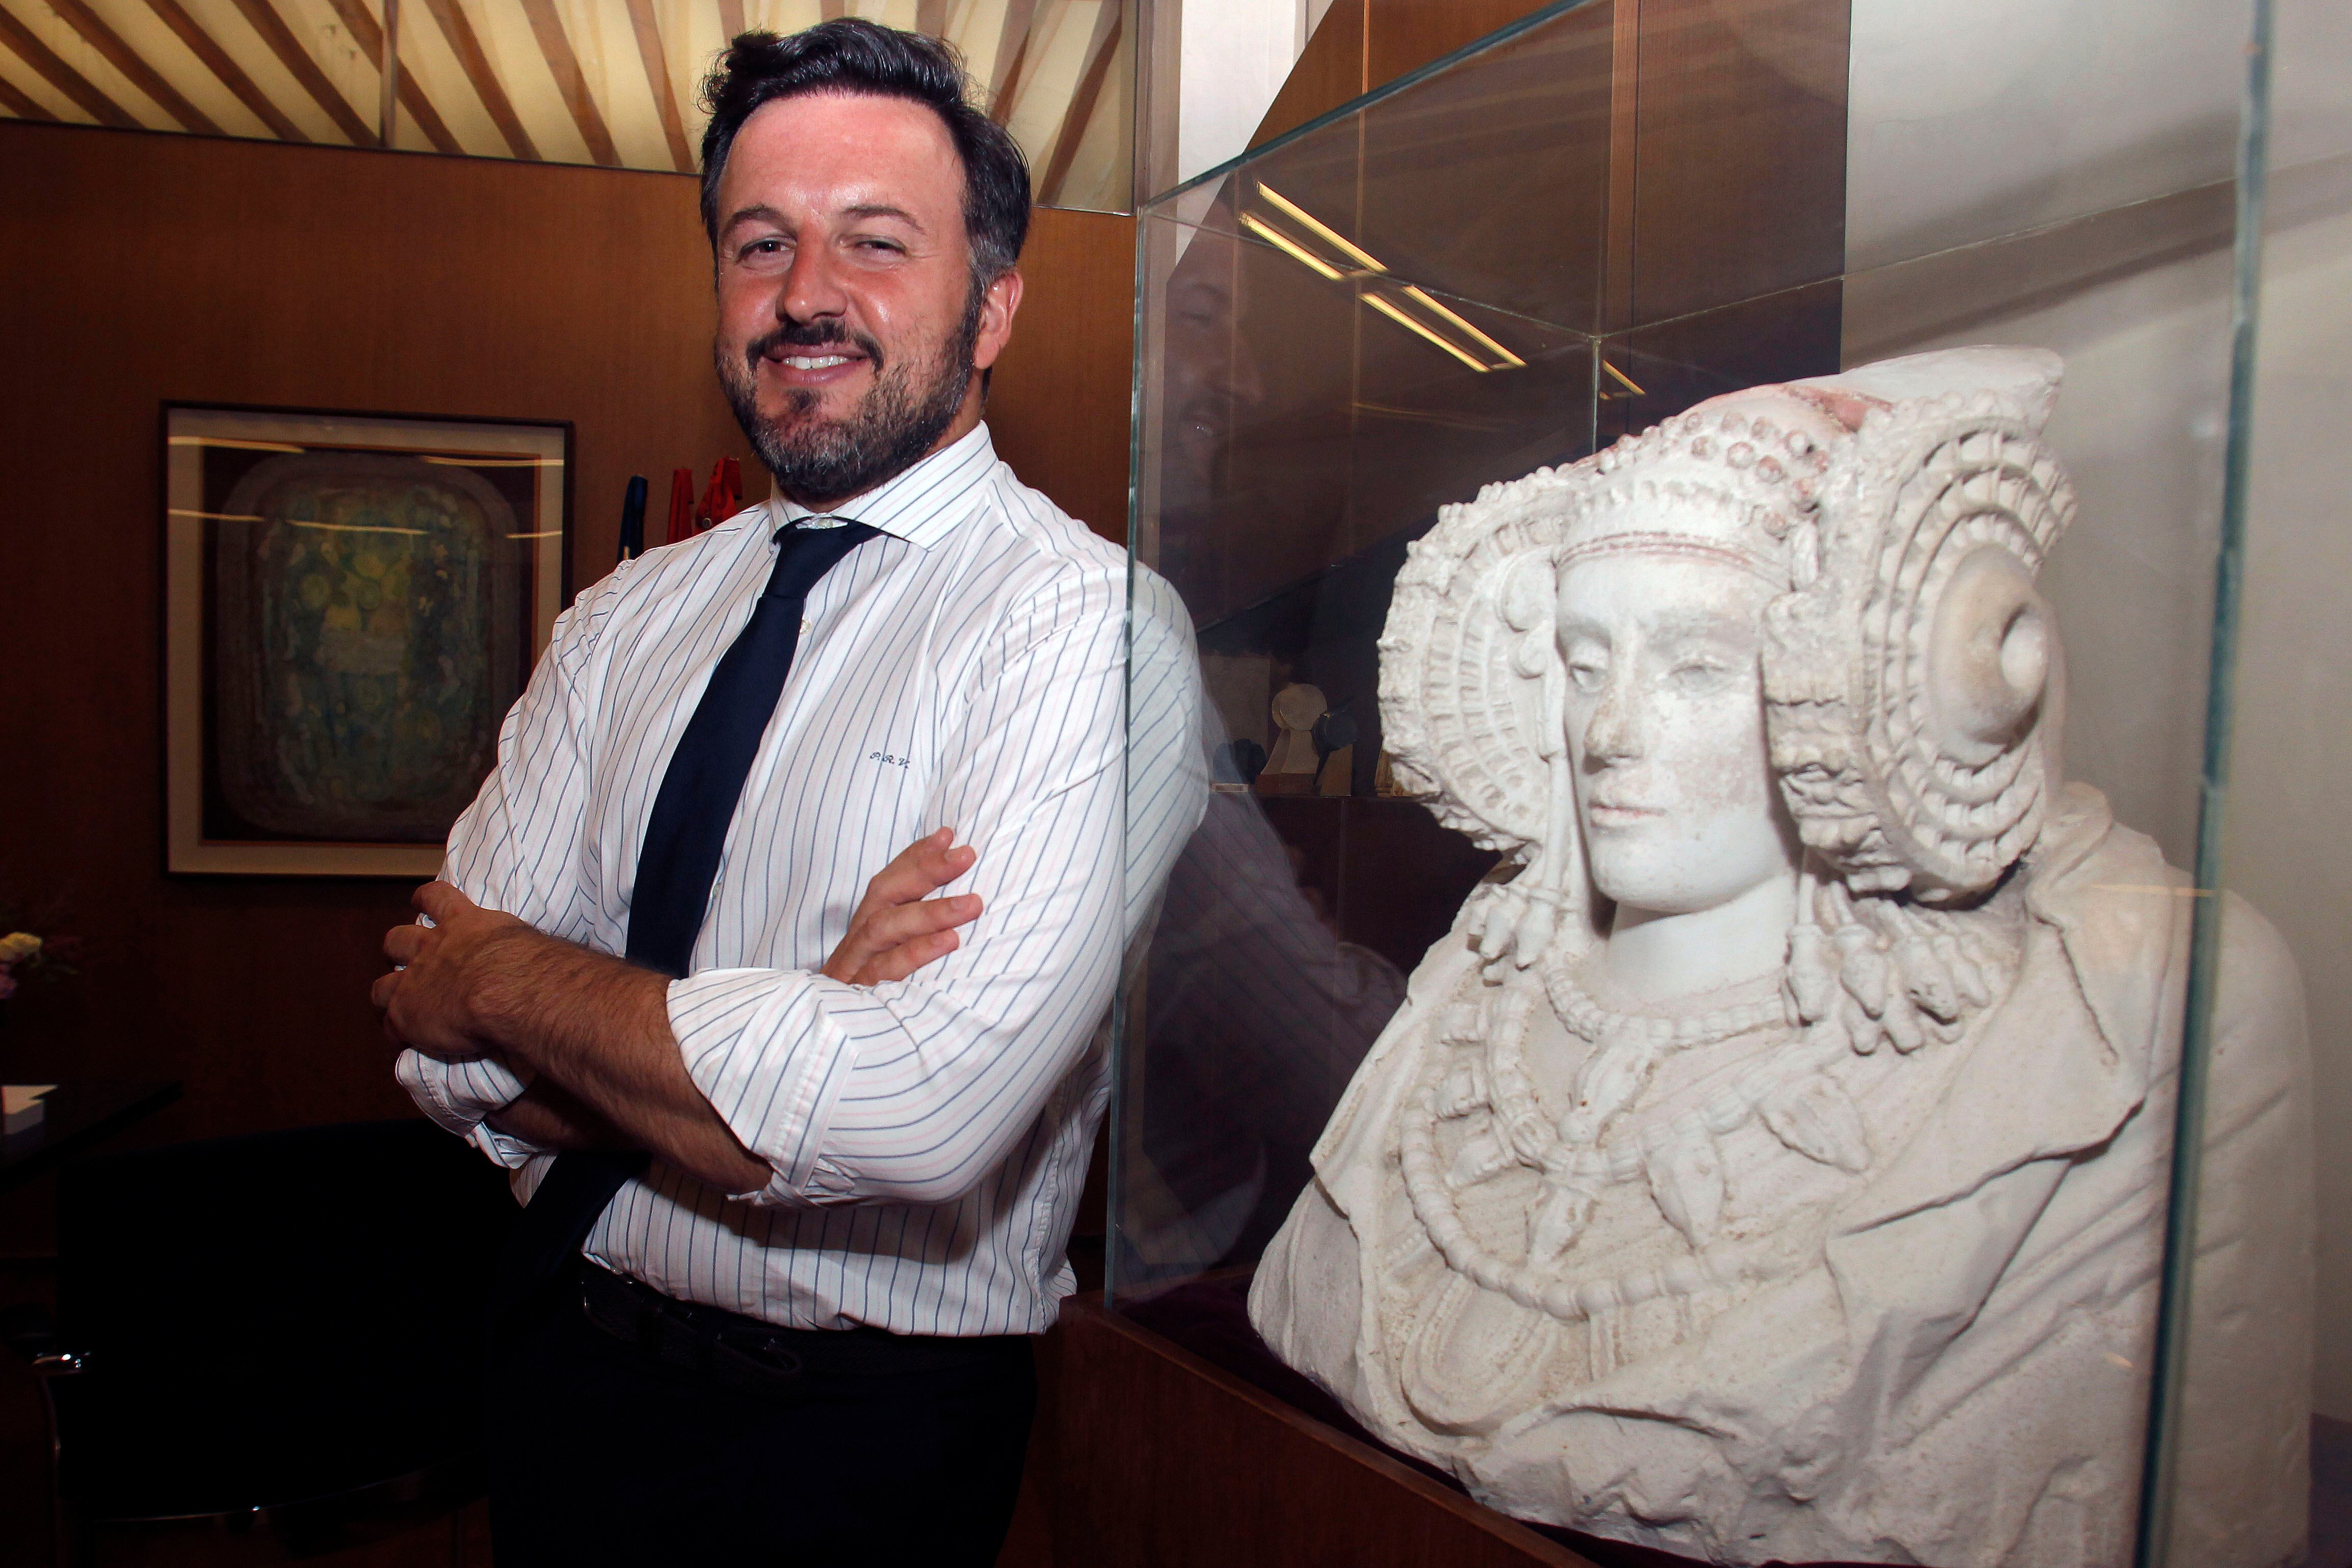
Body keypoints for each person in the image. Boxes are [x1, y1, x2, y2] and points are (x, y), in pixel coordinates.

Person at [1250, 348, 2310, 1566]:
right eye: (1585, 665)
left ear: (1863, 695)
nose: (1611, 732)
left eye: (1699, 667)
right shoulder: (1484, 970)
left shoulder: (2112, 1021)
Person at [374, 21, 1202, 1565]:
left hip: (848, 1442)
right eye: (762, 244)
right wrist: (800, 1019)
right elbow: (435, 1056)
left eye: (874, 242)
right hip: (560, 1359)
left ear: (993, 306)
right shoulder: (625, 619)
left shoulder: (1084, 627)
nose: (806, 293)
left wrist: (509, 981)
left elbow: (917, 1119)